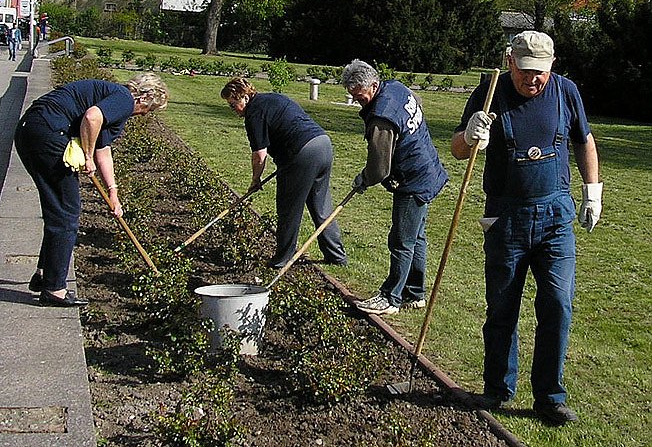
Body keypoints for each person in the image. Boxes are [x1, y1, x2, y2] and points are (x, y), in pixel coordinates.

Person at [451, 31, 602, 426]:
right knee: (502, 307)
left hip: (555, 217)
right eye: (525, 70)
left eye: (540, 72)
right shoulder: (490, 93)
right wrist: (470, 136)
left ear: (551, 67)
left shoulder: (565, 92)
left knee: (558, 304)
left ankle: (549, 397)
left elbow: (584, 140)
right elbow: (457, 149)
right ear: (510, 62)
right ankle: (497, 389)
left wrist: (592, 192)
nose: (532, 79)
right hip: (506, 218)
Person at [14, 73, 169, 307]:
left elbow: (103, 151)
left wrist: (113, 192)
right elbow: (91, 117)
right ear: (144, 97)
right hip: (48, 133)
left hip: (30, 130)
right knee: (66, 213)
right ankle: (54, 289)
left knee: (58, 208)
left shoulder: (112, 98)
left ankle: (45, 275)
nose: (145, 114)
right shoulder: (124, 99)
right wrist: (87, 156)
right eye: (150, 109)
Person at [342, 60, 448, 316]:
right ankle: (414, 293)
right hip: (428, 169)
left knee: (401, 240)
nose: (357, 101)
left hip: (413, 179)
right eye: (353, 96)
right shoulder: (396, 88)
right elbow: (417, 104)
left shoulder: (382, 117)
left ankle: (391, 298)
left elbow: (379, 167)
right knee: (416, 236)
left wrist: (364, 179)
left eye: (359, 95)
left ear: (373, 85)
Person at [221, 77, 347, 268]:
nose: (234, 110)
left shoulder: (254, 113)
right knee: (321, 207)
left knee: (289, 209)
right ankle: (336, 256)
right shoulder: (274, 97)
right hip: (323, 144)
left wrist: (255, 179)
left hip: (301, 153)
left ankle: (282, 259)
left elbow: (259, 155)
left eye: (233, 104)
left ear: (245, 96)